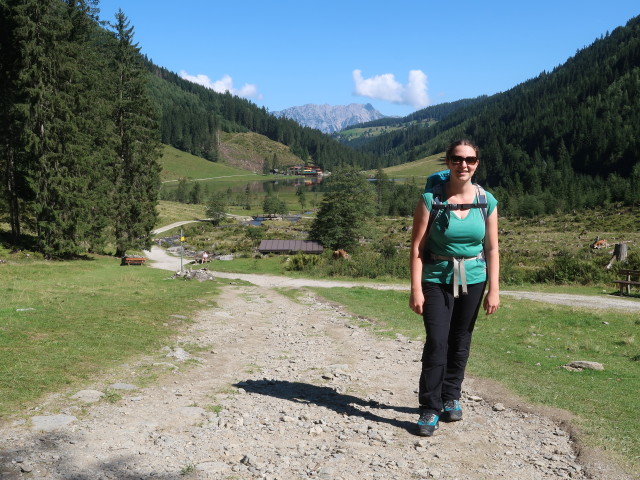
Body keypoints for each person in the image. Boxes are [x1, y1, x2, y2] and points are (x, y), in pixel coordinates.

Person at [409, 139, 500, 437]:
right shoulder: (430, 200)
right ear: (447, 162)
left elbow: (492, 249)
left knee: (461, 339)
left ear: (477, 163)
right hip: (436, 277)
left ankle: (451, 396)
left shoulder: (487, 201)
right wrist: (416, 289)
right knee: (437, 339)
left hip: (474, 277)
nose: (464, 165)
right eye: (457, 159)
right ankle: (429, 407)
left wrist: (494, 289)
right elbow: (417, 248)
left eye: (470, 160)